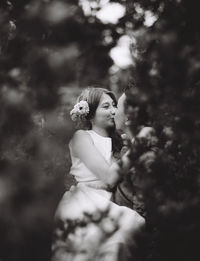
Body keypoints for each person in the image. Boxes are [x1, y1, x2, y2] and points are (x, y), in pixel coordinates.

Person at [51, 87, 145, 261]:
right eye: (106, 106)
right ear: (91, 114)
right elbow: (109, 178)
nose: (113, 111)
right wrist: (139, 144)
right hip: (85, 200)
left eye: (114, 106)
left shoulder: (117, 141)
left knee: (118, 239)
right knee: (95, 244)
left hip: (108, 200)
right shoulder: (81, 137)